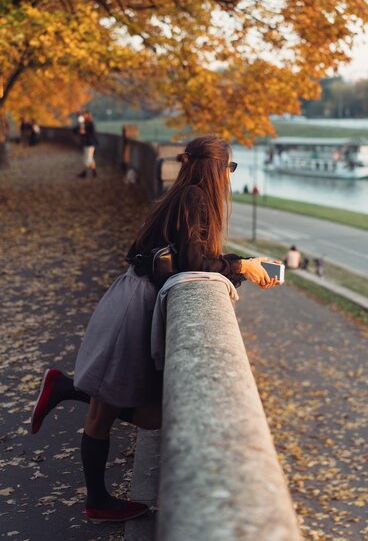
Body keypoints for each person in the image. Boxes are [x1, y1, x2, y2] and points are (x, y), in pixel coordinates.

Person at [30, 135, 282, 524]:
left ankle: (65, 391)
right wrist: (240, 268)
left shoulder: (183, 194)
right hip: (135, 308)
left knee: (114, 408)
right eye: (229, 169)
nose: (229, 178)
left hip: (132, 297)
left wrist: (242, 264)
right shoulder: (195, 200)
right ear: (216, 169)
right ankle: (96, 495)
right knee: (134, 414)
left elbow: (191, 256)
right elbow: (193, 264)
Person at [77, 110, 98, 178]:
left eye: (85, 114)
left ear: (88, 115)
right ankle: (94, 172)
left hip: (90, 144)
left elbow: (92, 134)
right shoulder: (85, 123)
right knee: (90, 158)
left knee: (87, 158)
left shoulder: (91, 123)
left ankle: (84, 172)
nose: (84, 116)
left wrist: (84, 132)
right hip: (87, 143)